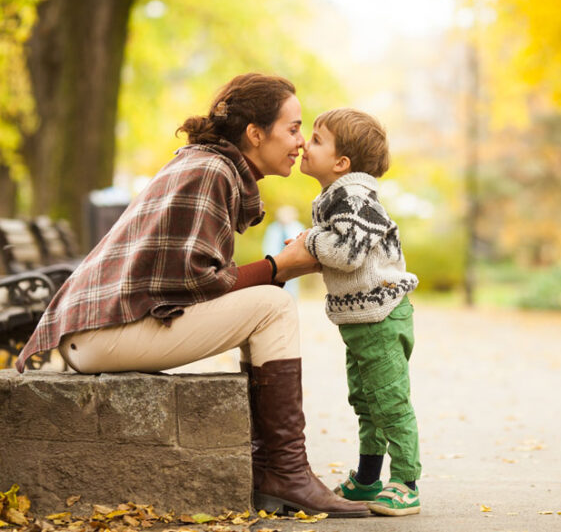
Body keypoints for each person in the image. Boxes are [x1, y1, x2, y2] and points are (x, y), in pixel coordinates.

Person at [15, 74, 370, 519]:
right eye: (293, 128)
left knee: (270, 303)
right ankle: (285, 473)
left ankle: (277, 471)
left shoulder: (207, 163)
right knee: (275, 305)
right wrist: (281, 267)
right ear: (255, 134)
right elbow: (199, 283)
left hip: (98, 331)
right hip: (100, 335)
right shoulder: (211, 171)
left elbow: (189, 281)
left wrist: (278, 268)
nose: (300, 142)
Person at [299, 108, 422, 516]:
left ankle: (406, 481)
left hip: (383, 318)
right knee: (365, 401)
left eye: (316, 139)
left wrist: (310, 241)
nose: (303, 143)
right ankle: (368, 479)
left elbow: (348, 254)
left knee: (390, 402)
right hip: (360, 321)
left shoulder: (355, 199)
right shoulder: (335, 198)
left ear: (341, 163)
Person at [262, 205, 305, 299]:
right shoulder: (273, 228)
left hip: (294, 261)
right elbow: (268, 245)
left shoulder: (298, 227)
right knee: (276, 286)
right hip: (277, 261)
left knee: (291, 285)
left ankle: (291, 301)